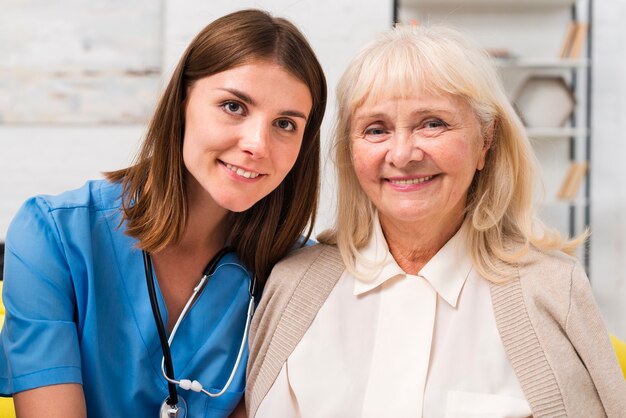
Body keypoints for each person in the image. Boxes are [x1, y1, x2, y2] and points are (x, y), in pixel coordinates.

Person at [246, 24, 626, 417]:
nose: (403, 153)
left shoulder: (552, 289)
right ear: (351, 151)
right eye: (376, 130)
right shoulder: (292, 285)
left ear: (486, 140)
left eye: (432, 123)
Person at [0, 9, 326, 418]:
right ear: (182, 101)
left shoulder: (300, 279)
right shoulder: (52, 235)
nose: (258, 144)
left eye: (284, 123)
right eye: (233, 106)